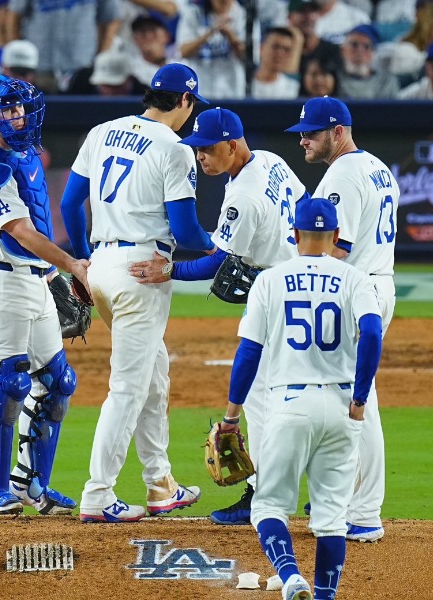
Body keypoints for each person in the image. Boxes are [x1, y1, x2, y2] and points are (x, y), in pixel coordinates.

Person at [127, 107, 309, 526]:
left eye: (207, 150)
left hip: (272, 296)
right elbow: (305, 202)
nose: (200, 158)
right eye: (196, 150)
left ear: (231, 145)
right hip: (298, 283)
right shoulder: (271, 160)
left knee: (261, 402)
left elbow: (216, 265)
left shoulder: (242, 197)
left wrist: (168, 271)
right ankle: (310, 491)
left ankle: (263, 496)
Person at [59, 63, 213, 523]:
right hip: (142, 271)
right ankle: (98, 494)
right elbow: (184, 227)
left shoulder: (102, 130)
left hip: (104, 264)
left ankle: (160, 484)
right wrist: (217, 248)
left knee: (154, 376)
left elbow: (70, 204)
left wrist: (85, 263)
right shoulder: (176, 148)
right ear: (184, 101)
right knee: (127, 388)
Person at [219, 197, 382, 600]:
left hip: (290, 406)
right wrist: (360, 397)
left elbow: (249, 353)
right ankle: (325, 595)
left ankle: (291, 577)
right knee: (331, 521)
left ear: (294, 235)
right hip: (343, 408)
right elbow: (373, 334)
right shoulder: (355, 278)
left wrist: (232, 414)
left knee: (269, 508)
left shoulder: (270, 280)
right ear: (336, 236)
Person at [0, 73, 91, 517]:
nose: (17, 114)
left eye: (19, 106)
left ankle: (30, 485)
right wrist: (72, 264)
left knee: (58, 383)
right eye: (6, 108)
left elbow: (37, 226)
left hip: (34, 279)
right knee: (7, 383)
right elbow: (19, 232)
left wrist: (53, 273)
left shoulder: (27, 153)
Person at [285, 95, 399, 542]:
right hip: (375, 284)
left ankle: (364, 510)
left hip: (358, 290)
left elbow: (338, 247)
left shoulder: (344, 174)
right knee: (350, 394)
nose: (304, 142)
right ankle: (348, 499)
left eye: (311, 134)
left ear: (338, 132)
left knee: (358, 399)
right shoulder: (377, 166)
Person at [176, 0, 250, 99]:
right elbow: (183, 51)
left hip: (232, 90)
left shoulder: (244, 15)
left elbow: (248, 57)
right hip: (199, 90)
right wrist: (211, 31)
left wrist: (230, 35)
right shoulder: (193, 13)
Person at [338, 24, 400, 99]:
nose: (359, 51)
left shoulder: (386, 82)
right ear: (342, 50)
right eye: (354, 45)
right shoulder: (332, 78)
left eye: (366, 47)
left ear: (373, 54)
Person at [252, 27, 301, 98]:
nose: (280, 53)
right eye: (275, 47)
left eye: (286, 49)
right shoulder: (243, 83)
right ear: (261, 48)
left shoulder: (293, 89)